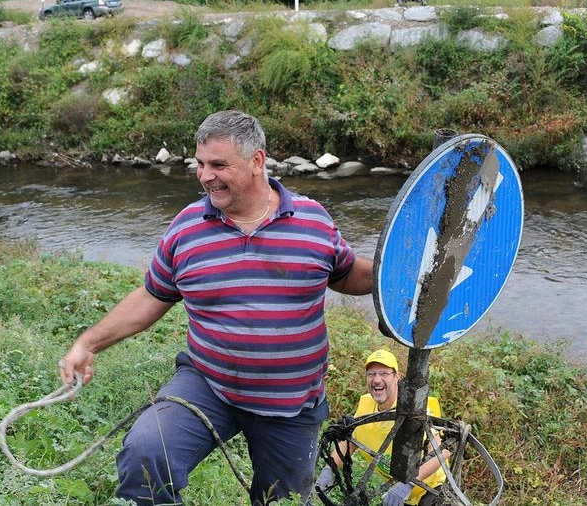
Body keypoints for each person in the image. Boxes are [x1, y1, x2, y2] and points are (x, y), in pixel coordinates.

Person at [58, 109, 373, 505]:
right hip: (208, 385)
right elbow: (151, 296)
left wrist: (391, 275)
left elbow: (346, 274)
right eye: (201, 164)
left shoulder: (312, 220)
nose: (206, 176)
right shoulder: (187, 227)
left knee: (284, 500)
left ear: (257, 161)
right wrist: (88, 344)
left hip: (290, 403)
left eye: (219, 165)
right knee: (145, 454)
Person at [316, 349, 451, 506]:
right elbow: (352, 441)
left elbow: (444, 450)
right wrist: (329, 469)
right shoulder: (366, 405)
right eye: (371, 374)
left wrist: (408, 484)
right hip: (395, 492)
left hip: (429, 489)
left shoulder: (416, 410)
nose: (377, 380)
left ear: (397, 377)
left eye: (384, 374)